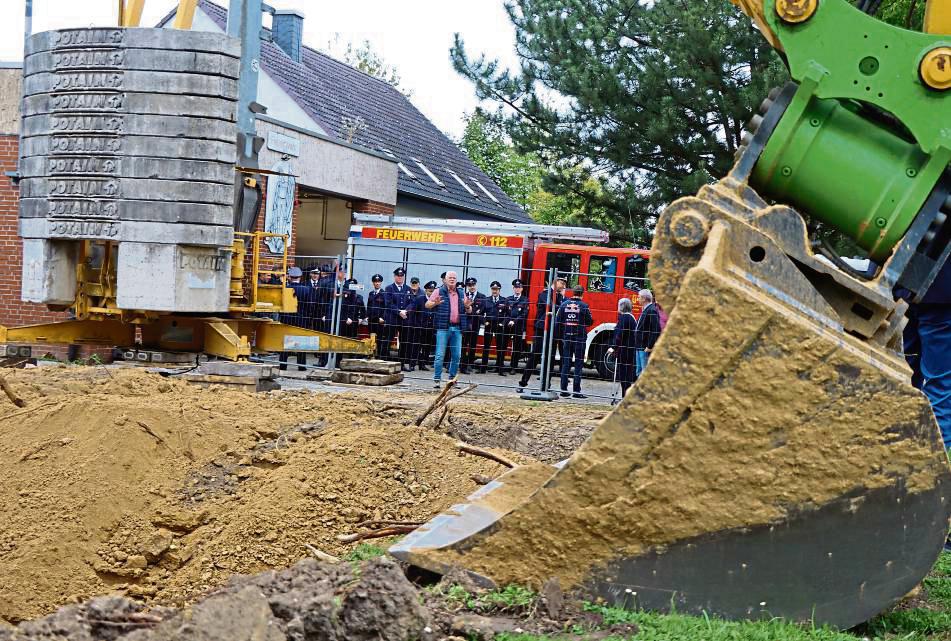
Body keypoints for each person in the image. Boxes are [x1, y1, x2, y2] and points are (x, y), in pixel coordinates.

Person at [517, 275, 567, 392]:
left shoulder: (560, 296)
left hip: (554, 331)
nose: (564, 285)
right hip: (541, 329)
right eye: (562, 282)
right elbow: (551, 306)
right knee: (535, 356)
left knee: (551, 358)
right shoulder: (544, 294)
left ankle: (546, 385)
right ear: (556, 282)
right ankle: (523, 382)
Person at [426, 271, 473, 388]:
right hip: (443, 328)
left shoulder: (461, 293)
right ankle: (437, 379)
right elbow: (427, 305)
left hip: (457, 328)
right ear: (445, 280)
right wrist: (434, 303)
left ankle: (452, 379)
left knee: (457, 356)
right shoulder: (438, 291)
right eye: (450, 278)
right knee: (439, 355)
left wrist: (467, 306)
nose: (452, 280)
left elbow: (469, 310)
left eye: (454, 278)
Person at [556, 285, 593, 398]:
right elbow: (589, 321)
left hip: (567, 338)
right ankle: (576, 391)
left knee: (565, 364)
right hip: (580, 339)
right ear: (582, 294)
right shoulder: (584, 306)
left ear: (573, 292)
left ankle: (563, 389)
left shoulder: (563, 305)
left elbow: (558, 321)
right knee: (578, 365)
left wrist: (563, 334)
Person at [278, 266, 313, 371]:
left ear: (290, 277)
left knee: (285, 342)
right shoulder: (306, 290)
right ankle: (301, 366)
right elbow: (310, 306)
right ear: (300, 277)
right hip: (302, 319)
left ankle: (283, 365)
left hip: (287, 318)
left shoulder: (285, 289)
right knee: (301, 343)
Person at [608, 298, 638, 399]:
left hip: (625, 351)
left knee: (624, 376)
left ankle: (624, 398)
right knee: (626, 376)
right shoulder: (631, 317)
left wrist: (613, 347)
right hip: (629, 350)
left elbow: (619, 335)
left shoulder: (624, 318)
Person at [383, 267, 413, 369]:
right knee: (388, 340)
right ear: (394, 276)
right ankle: (384, 362)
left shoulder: (408, 289)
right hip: (392, 318)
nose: (400, 278)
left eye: (401, 276)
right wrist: (399, 311)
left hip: (404, 319)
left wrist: (406, 311)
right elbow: (388, 303)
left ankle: (402, 363)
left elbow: (412, 303)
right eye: (398, 276)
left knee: (404, 341)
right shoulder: (389, 288)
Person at [335, 278, 366, 366]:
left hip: (354, 322)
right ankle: (338, 362)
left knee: (352, 341)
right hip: (343, 322)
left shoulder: (359, 297)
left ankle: (351, 362)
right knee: (341, 341)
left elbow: (363, 311)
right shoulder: (344, 296)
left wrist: (360, 319)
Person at [481, 281, 511, 375]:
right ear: (491, 290)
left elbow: (508, 315)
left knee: (500, 348)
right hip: (489, 325)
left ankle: (500, 369)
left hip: (499, 326)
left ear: (499, 290)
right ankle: (483, 368)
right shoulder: (486, 300)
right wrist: (484, 321)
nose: (495, 291)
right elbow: (480, 313)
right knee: (486, 347)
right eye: (493, 289)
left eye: (496, 289)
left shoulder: (504, 300)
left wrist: (503, 323)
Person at [409, 280, 437, 371]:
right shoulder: (420, 299)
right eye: (429, 291)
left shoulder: (435, 301)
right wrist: (415, 325)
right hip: (419, 327)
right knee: (416, 346)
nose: (431, 293)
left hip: (430, 328)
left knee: (427, 347)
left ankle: (422, 364)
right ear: (426, 290)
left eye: (433, 291)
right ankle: (412, 364)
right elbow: (413, 313)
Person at [461, 277, 486, 374]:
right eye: (469, 285)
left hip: (475, 324)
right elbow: (461, 309)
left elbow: (482, 310)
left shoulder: (482, 297)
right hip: (465, 324)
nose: (471, 287)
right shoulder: (464, 295)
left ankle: (470, 364)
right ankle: (462, 363)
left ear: (476, 285)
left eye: (473, 285)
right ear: (467, 286)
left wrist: (470, 311)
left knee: (472, 345)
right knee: (463, 345)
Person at [634, 288, 662, 377]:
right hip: (639, 346)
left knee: (644, 372)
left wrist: (649, 346)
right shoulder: (646, 309)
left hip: (644, 347)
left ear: (644, 298)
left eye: (639, 297)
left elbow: (656, 330)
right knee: (639, 372)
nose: (637, 299)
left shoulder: (651, 310)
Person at [507, 279, 529, 373]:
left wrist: (514, 321)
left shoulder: (525, 300)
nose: (517, 289)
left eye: (519, 287)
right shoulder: (508, 299)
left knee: (516, 347)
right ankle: (500, 366)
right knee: (503, 345)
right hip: (508, 325)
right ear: (513, 288)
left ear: (522, 289)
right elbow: (505, 312)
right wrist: (509, 320)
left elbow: (524, 314)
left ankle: (513, 367)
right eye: (516, 287)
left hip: (518, 326)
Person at [366, 274, 386, 358]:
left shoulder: (384, 293)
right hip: (371, 320)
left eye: (378, 282)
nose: (377, 283)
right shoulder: (371, 293)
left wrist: (383, 318)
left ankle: (379, 356)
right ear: (373, 283)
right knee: (371, 337)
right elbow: (369, 305)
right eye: (375, 282)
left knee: (379, 339)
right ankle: (371, 354)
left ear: (381, 283)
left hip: (379, 320)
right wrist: (367, 316)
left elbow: (386, 307)